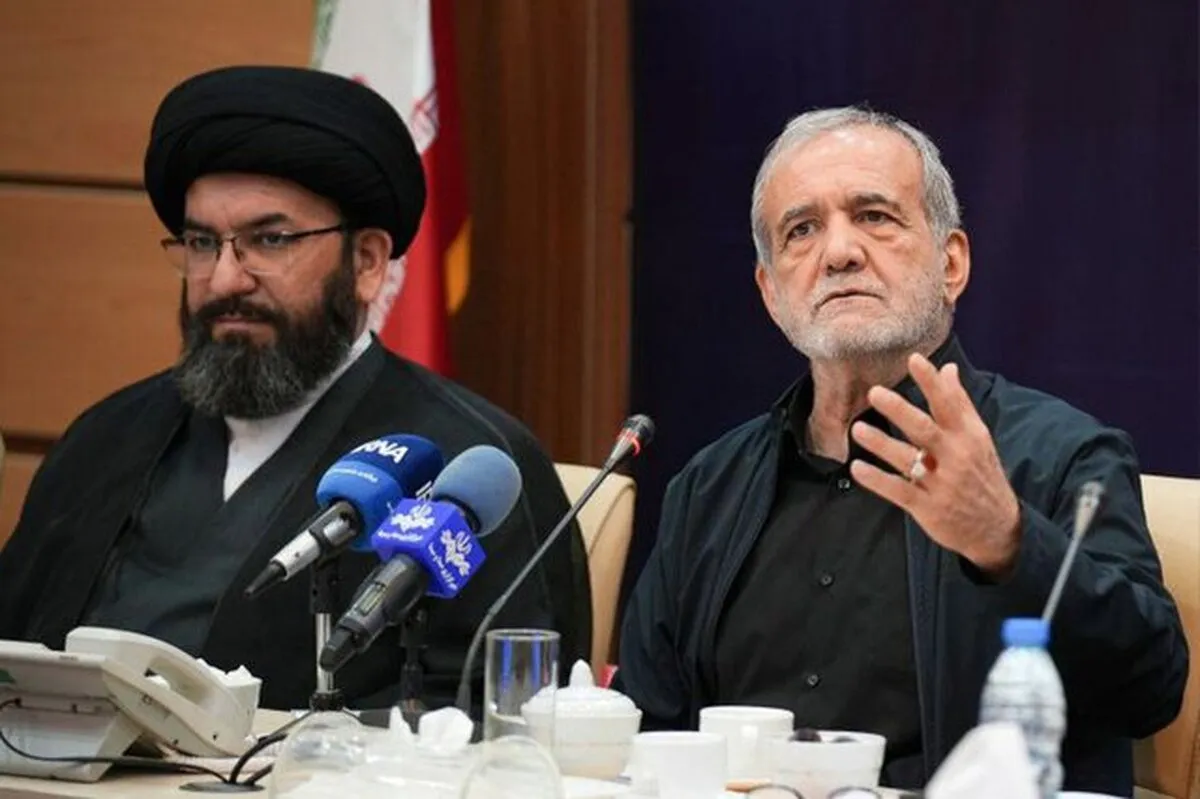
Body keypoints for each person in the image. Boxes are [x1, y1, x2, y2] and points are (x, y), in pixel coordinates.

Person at [615, 106, 1187, 795]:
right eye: (802, 230)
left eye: (874, 216)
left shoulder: (1064, 456)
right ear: (771, 293)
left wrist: (1009, 543)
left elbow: (1151, 689)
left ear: (952, 263)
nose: (839, 252)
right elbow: (647, 729)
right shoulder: (709, 487)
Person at [0, 65, 591, 712]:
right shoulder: (104, 438)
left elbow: (502, 716)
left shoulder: (470, 470)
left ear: (366, 262)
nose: (225, 279)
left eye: (269, 240)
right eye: (202, 242)